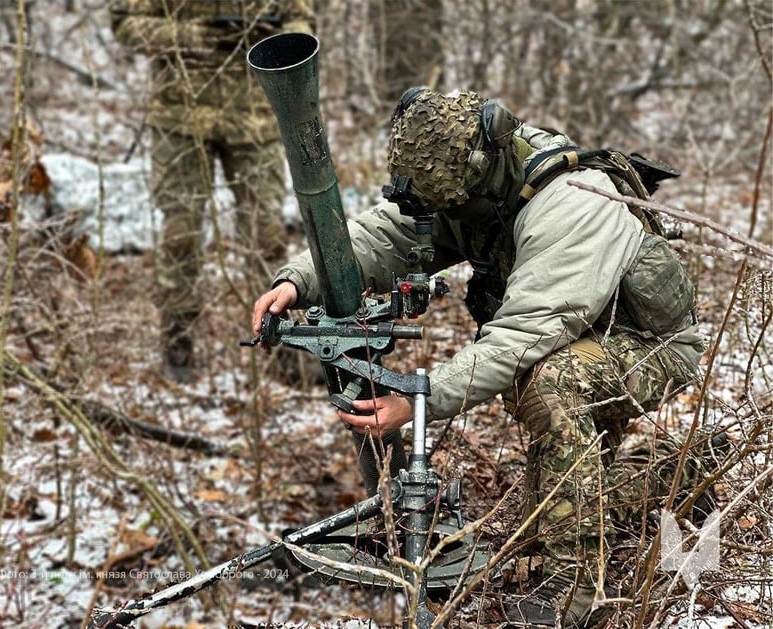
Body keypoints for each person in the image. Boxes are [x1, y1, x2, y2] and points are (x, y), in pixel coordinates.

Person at [253, 89, 713, 627]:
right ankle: (682, 474)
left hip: (648, 345)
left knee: (548, 385)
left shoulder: (571, 202)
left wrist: (418, 397)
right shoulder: (470, 181)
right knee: (546, 517)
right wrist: (299, 278)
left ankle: (575, 596)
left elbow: (521, 335)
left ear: (481, 166)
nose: (443, 214)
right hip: (579, 330)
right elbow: (388, 234)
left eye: (448, 203)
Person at [110, 0, 314, 381]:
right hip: (180, 117)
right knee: (180, 236)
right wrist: (191, 37)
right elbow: (125, 22)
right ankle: (178, 344)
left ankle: (280, 343)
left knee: (265, 236)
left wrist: (270, 39)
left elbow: (301, 20)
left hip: (255, 116)